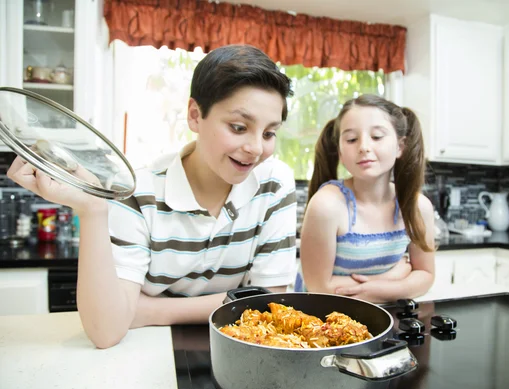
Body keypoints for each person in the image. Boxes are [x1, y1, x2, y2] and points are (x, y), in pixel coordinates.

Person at [7, 45, 297, 348]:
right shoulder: (138, 192)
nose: (255, 148)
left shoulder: (274, 183)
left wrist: (145, 309)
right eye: (239, 127)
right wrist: (92, 210)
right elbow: (106, 331)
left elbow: (270, 305)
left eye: (269, 133)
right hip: (143, 355)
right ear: (195, 116)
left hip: (236, 351)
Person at [295, 94, 435, 303]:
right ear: (341, 153)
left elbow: (425, 276)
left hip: (385, 320)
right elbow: (319, 288)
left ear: (400, 146)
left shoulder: (417, 207)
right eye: (351, 139)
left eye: (377, 136)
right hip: (322, 321)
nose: (363, 147)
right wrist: (390, 278)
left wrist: (379, 289)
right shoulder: (327, 206)